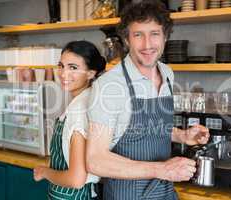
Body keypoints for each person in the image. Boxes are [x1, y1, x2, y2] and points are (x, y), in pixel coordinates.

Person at [86, 1, 210, 200]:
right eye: (138, 35)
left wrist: (182, 136)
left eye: (154, 34)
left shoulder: (167, 73)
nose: (147, 44)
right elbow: (95, 160)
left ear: (165, 37)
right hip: (126, 195)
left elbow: (149, 128)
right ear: (126, 40)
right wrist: (161, 169)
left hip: (164, 191)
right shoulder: (109, 86)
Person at [33, 40, 106, 200]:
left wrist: (44, 172)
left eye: (73, 67)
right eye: (61, 66)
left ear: (90, 73)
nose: (63, 74)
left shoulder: (78, 112)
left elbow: (76, 179)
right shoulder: (84, 101)